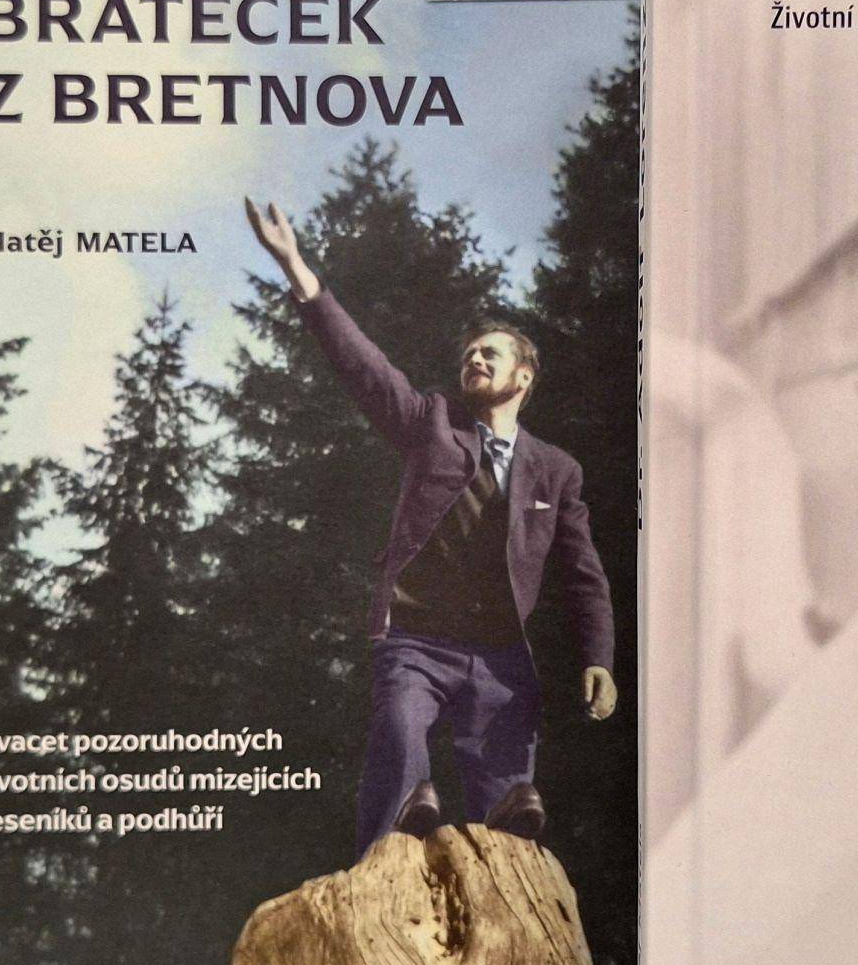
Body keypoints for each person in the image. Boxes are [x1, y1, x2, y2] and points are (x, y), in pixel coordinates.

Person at [245, 198, 618, 856]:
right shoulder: (432, 425)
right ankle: (394, 841)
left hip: (500, 657)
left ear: (524, 375)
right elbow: (365, 368)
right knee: (398, 737)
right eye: (469, 354)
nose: (474, 360)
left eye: (490, 354)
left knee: (511, 804)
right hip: (416, 640)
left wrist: (599, 658)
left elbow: (583, 574)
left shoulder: (556, 471)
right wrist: (297, 269)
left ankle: (500, 849)